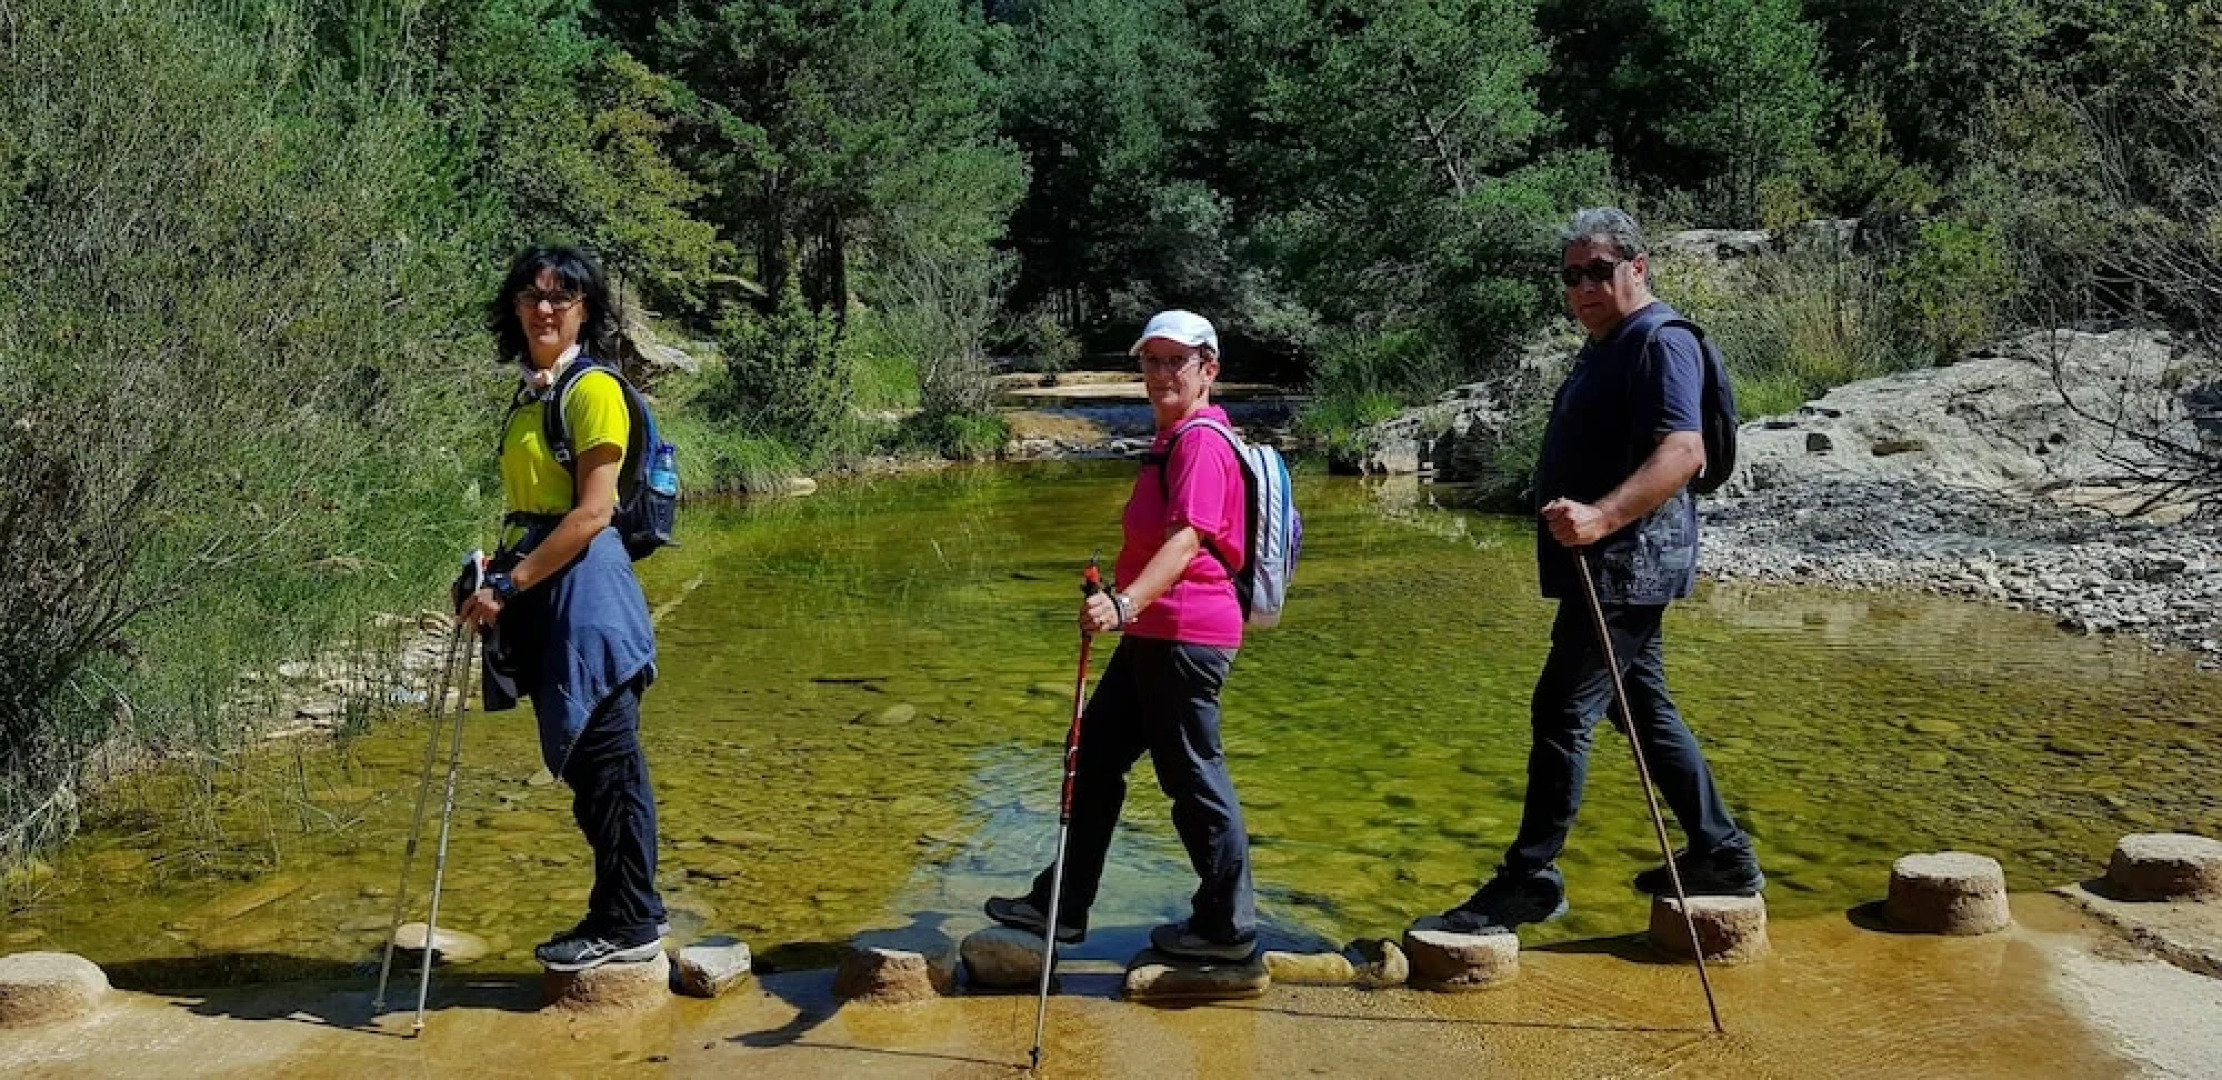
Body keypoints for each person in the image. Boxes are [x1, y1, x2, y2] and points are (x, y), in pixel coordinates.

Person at [1436, 209, 1762, 933]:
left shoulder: (1661, 342)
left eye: (1599, 271)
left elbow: (1683, 452)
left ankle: (1530, 879)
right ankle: (1723, 854)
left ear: (1637, 268)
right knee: (1638, 707)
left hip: (1625, 563)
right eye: (1572, 276)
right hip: (1615, 563)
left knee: (1561, 710)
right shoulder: (1610, 345)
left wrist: (1602, 517)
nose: (1583, 287)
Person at [985, 310, 1258, 961]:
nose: (1163, 372)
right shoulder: (1175, 439)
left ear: (1208, 369)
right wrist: (1126, 602)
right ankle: (1064, 905)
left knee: (1193, 777)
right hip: (1155, 634)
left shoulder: (1201, 444)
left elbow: (1188, 540)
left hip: (1184, 635)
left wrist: (1124, 602)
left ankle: (1225, 925)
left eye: (1178, 361)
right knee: (1097, 755)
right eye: (1152, 360)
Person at [457, 246, 667, 972]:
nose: (545, 308)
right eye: (532, 295)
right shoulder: (531, 394)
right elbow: (534, 510)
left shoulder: (591, 390)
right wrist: (493, 569)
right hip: (549, 594)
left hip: (589, 600)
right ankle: (616, 913)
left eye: (563, 296)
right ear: (513, 308)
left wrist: (507, 587)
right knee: (586, 770)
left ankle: (633, 922)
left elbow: (591, 515)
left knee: (610, 767)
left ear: (586, 309)